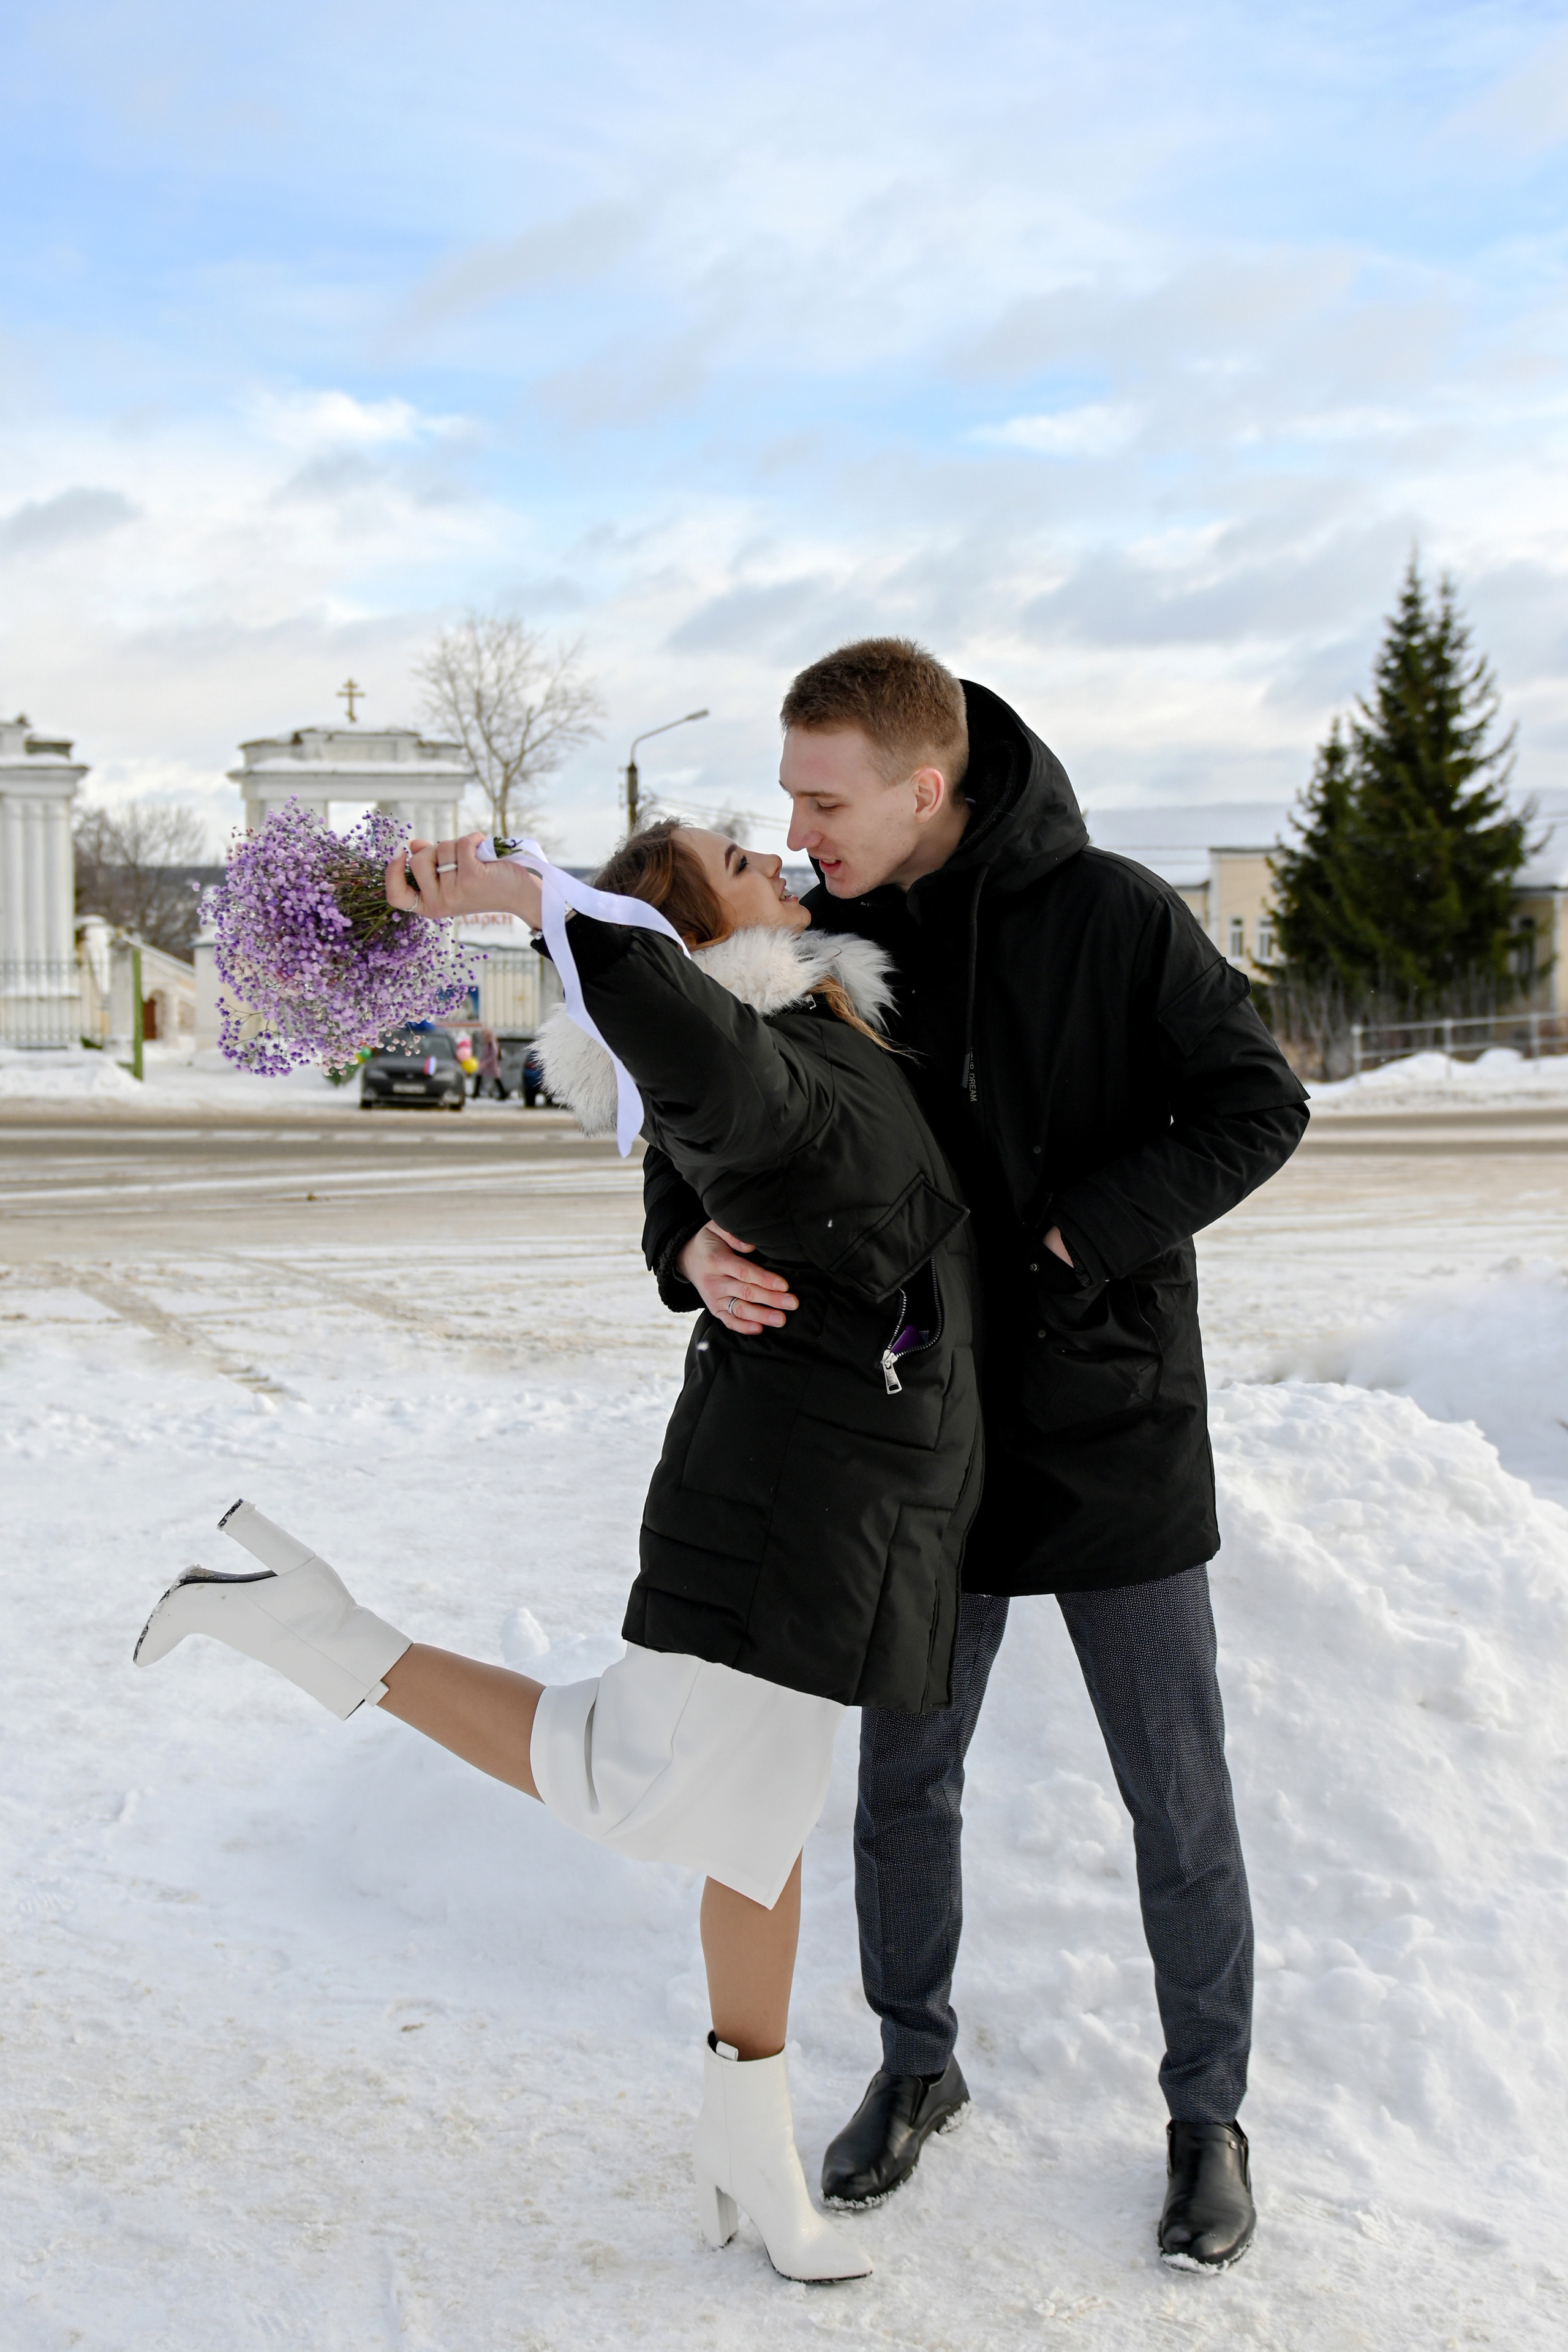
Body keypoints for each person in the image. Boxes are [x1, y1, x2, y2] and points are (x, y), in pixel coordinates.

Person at [134, 817, 981, 2288]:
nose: (765, 849)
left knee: (755, 1832)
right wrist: (536, 903)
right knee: (625, 1780)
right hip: (780, 1508)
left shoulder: (809, 1015)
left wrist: (684, 1246)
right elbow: (696, 1055)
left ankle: (746, 2146)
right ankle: (309, 1623)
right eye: (734, 850)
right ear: (687, 931)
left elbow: (710, 1121)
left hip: (849, 1503)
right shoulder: (736, 1036)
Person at [639, 641, 1310, 2271]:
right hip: (914, 1443)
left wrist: (1088, 1235)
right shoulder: (823, 943)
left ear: (923, 787)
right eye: (786, 798)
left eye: (824, 797)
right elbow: (720, 1111)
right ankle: (915, 2066)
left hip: (1114, 1432)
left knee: (1176, 1786)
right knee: (906, 1780)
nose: (795, 834)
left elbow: (1256, 1105)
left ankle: (1208, 2110)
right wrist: (688, 1246)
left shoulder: (1119, 916)